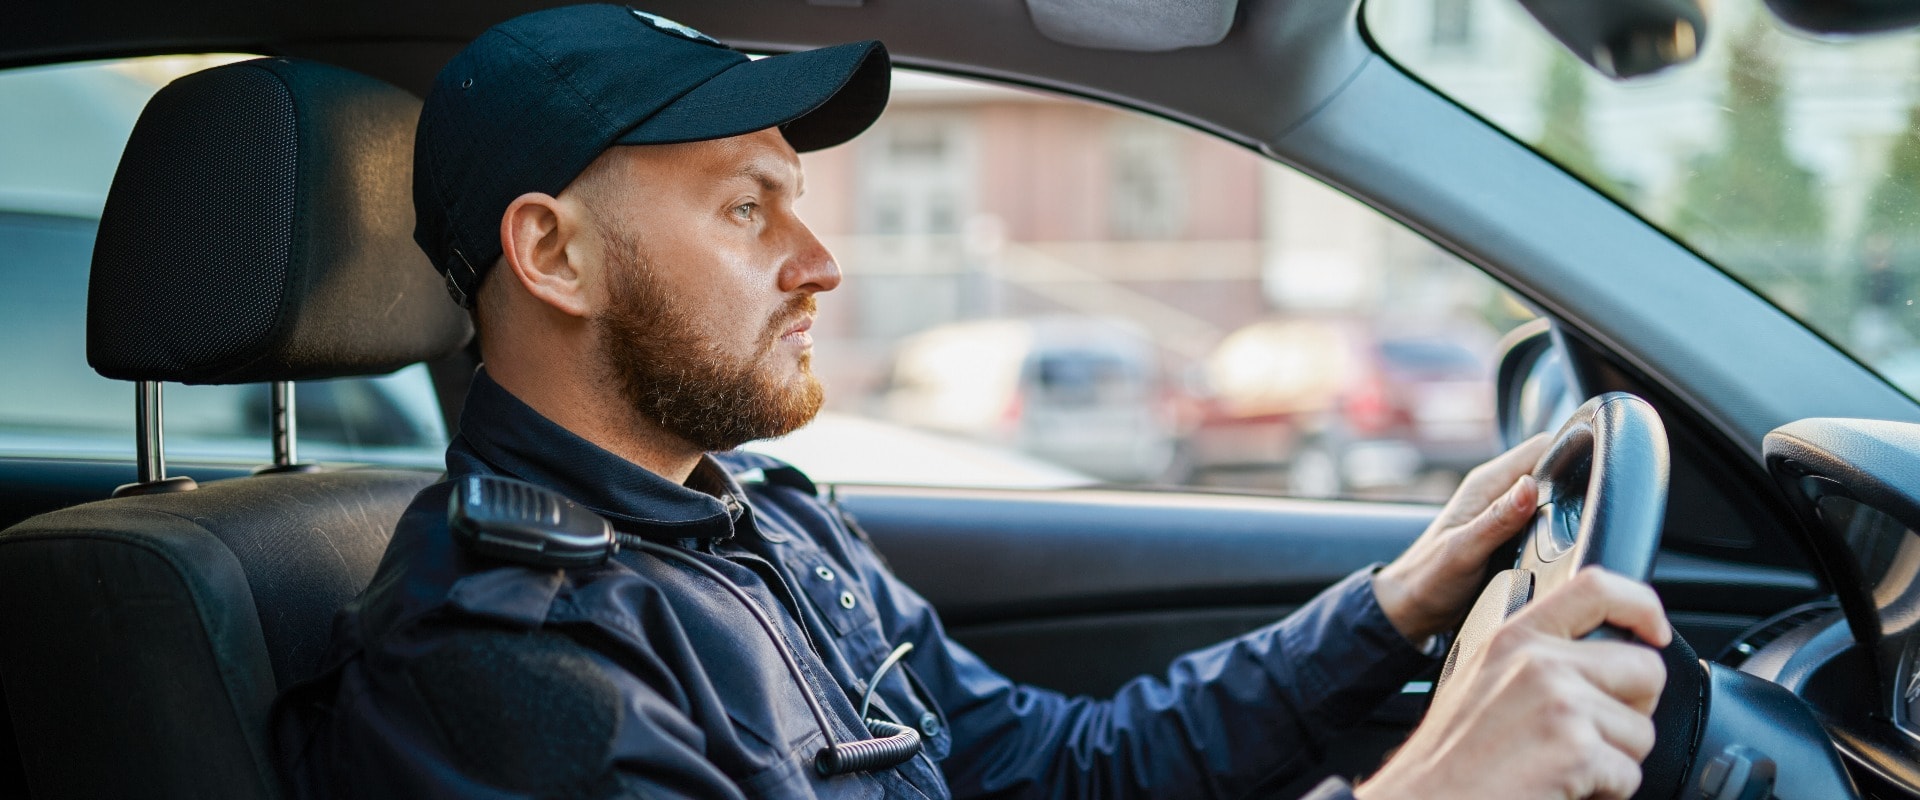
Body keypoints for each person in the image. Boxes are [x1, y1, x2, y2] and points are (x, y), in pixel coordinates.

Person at [272, 5, 1672, 799]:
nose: (819, 264)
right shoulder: (496, 668)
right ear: (553, 255)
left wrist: (1394, 609)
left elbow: (1055, 770)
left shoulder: (764, 535)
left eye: (797, 206)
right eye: (746, 209)